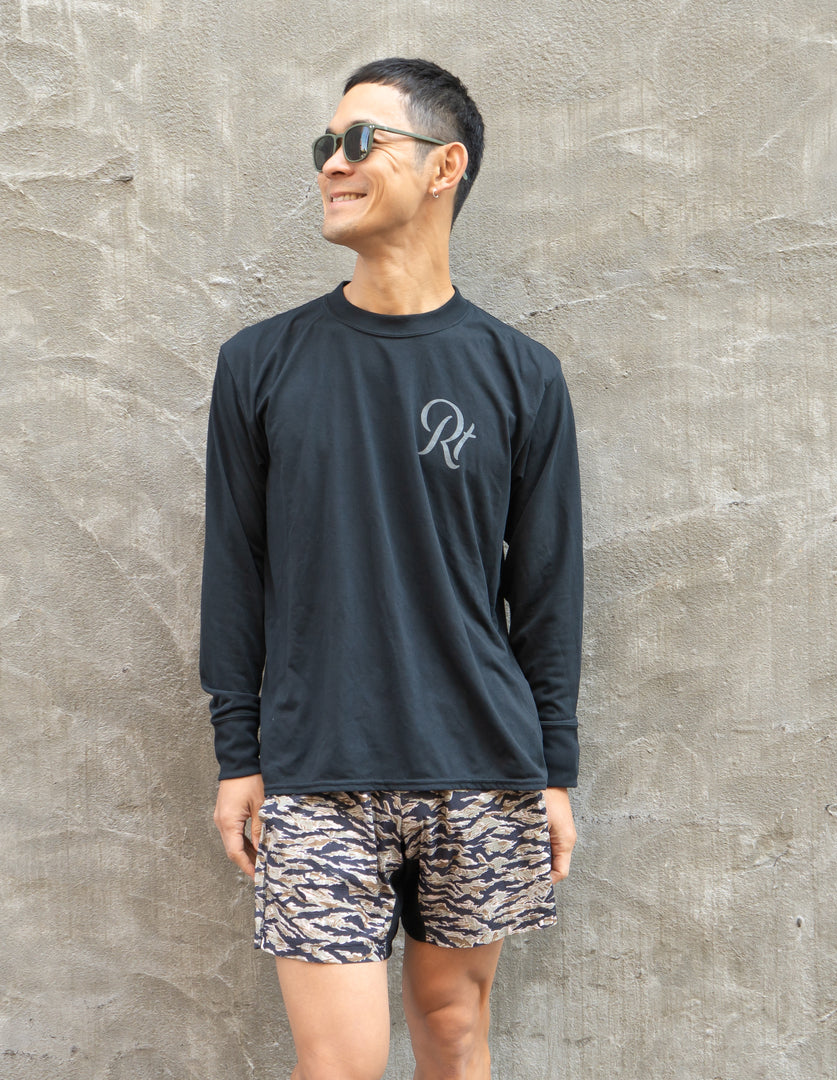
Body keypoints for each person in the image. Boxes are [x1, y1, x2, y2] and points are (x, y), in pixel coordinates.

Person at [201, 57, 583, 1080]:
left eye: (361, 141)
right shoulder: (259, 365)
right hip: (316, 770)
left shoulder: (521, 376)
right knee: (342, 1064)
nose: (333, 162)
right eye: (326, 145)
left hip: (481, 766)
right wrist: (238, 753)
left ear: (444, 166)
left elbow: (548, 592)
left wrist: (554, 771)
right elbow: (234, 571)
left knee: (454, 1035)